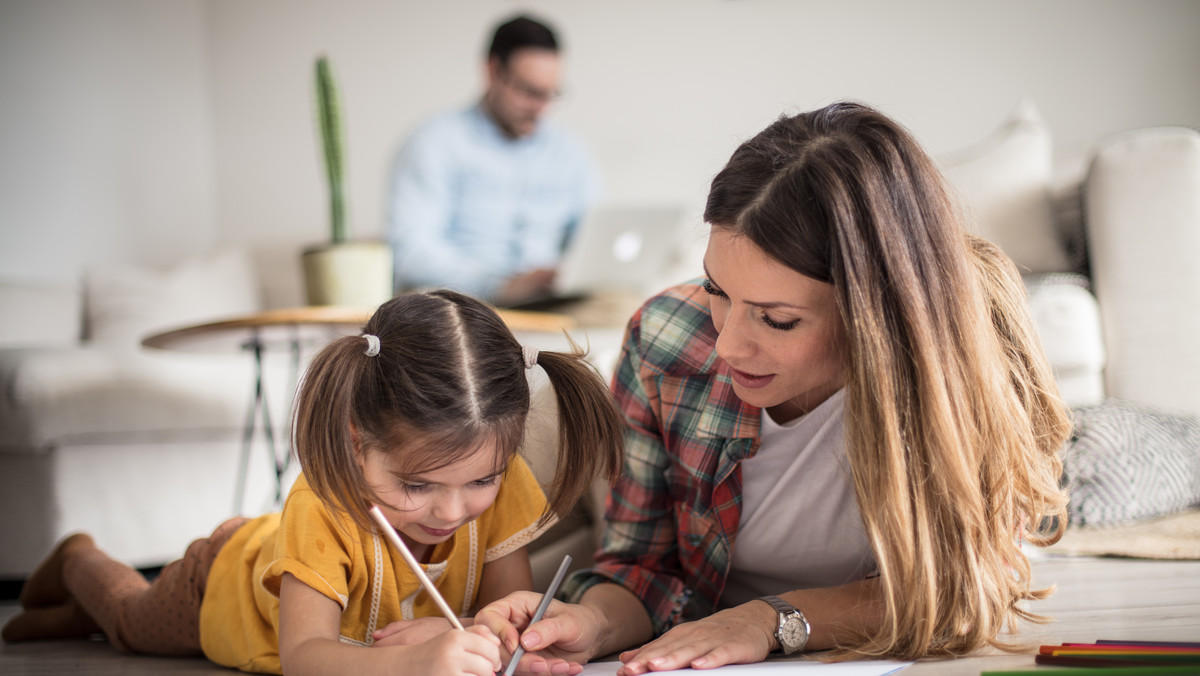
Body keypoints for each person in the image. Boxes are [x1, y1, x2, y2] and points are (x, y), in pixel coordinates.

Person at [476, 101, 1071, 674]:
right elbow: (644, 568)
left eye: (777, 319)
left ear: (874, 312)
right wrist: (590, 624)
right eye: (716, 291)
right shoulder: (664, 339)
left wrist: (771, 621)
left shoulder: (967, 354)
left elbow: (965, 591)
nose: (729, 345)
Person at [2, 290, 623, 676]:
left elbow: (492, 615)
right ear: (358, 443)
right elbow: (306, 658)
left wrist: (491, 639)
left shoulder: (502, 480)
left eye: (480, 480)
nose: (453, 509)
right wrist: (413, 662)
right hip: (219, 587)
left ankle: (51, 619)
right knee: (127, 620)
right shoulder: (322, 504)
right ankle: (78, 556)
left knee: (76, 629)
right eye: (416, 486)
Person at [387, 14, 600, 307]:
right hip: (466, 307)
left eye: (550, 94)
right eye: (529, 92)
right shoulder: (434, 142)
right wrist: (497, 285)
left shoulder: (569, 150)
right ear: (492, 70)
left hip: (552, 303)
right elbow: (409, 252)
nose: (540, 108)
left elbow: (594, 233)